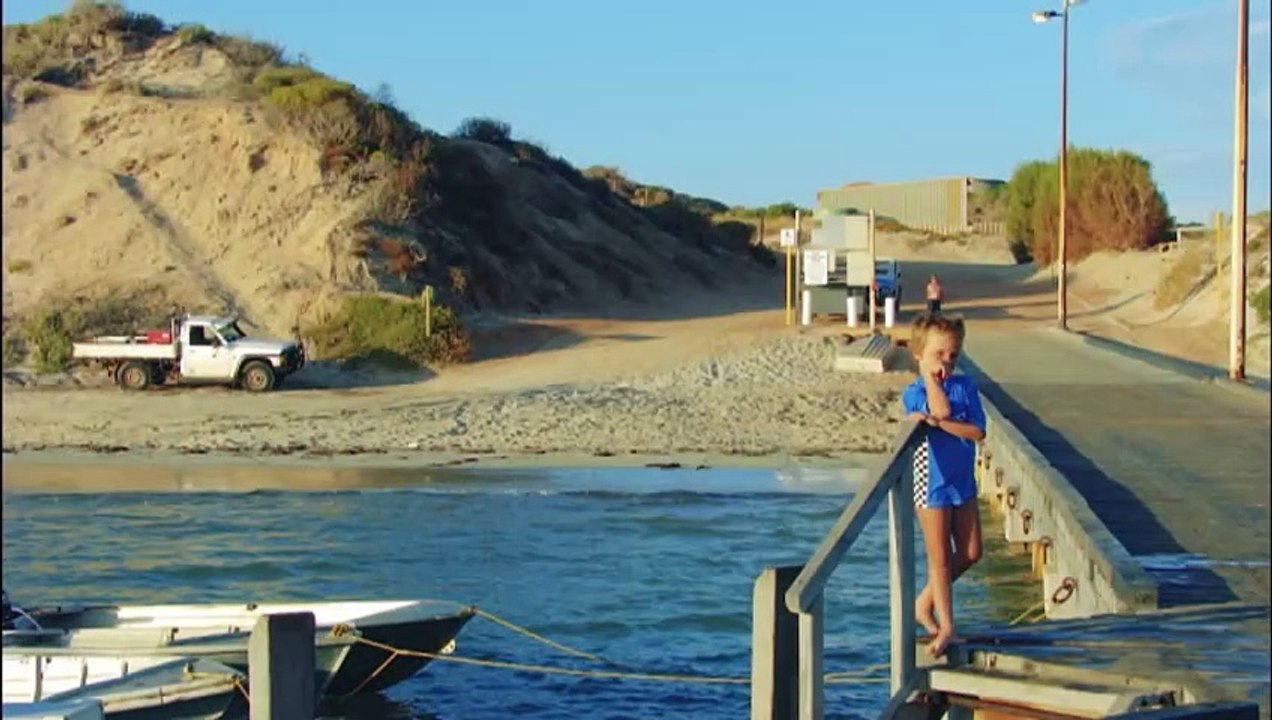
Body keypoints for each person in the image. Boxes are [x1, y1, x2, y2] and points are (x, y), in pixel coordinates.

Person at [901, 314, 986, 657]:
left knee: (970, 552)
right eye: (939, 354)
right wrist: (929, 377)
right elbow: (940, 408)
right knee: (940, 558)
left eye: (953, 354)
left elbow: (977, 431)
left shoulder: (966, 386)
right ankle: (946, 625)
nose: (947, 362)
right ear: (920, 354)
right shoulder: (915, 392)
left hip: (961, 478)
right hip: (932, 481)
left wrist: (941, 424)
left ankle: (923, 603)